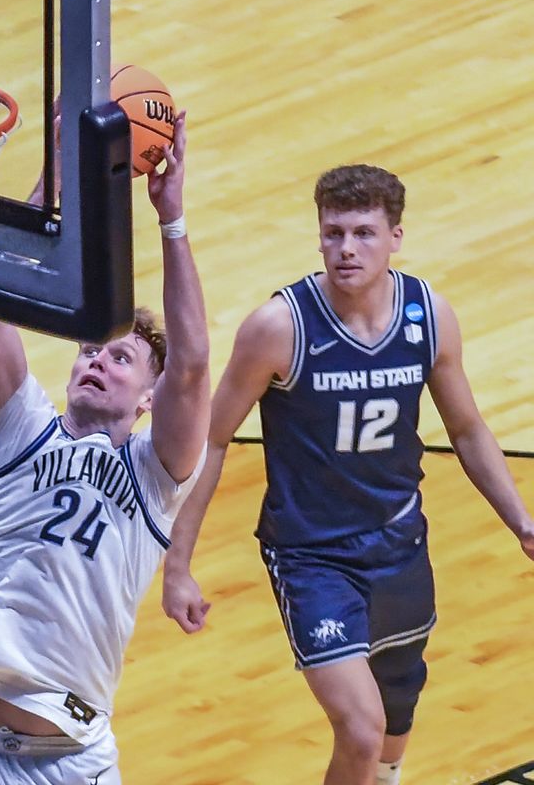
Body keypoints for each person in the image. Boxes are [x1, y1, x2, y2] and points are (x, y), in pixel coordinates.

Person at [160, 164, 534, 785]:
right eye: (333, 233)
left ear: (396, 237)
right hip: (311, 557)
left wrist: (520, 520)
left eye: (363, 233)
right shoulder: (280, 328)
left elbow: (466, 430)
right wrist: (178, 564)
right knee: (359, 730)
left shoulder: (428, 315)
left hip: (399, 543)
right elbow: (215, 439)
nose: (346, 249)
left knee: (395, 715)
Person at [0, 111, 209, 784]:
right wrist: (56, 179)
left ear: (147, 400)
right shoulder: (20, 432)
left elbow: (190, 366)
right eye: (90, 350)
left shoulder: (152, 479)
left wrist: (172, 221)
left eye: (123, 358)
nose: (98, 361)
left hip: (64, 765)